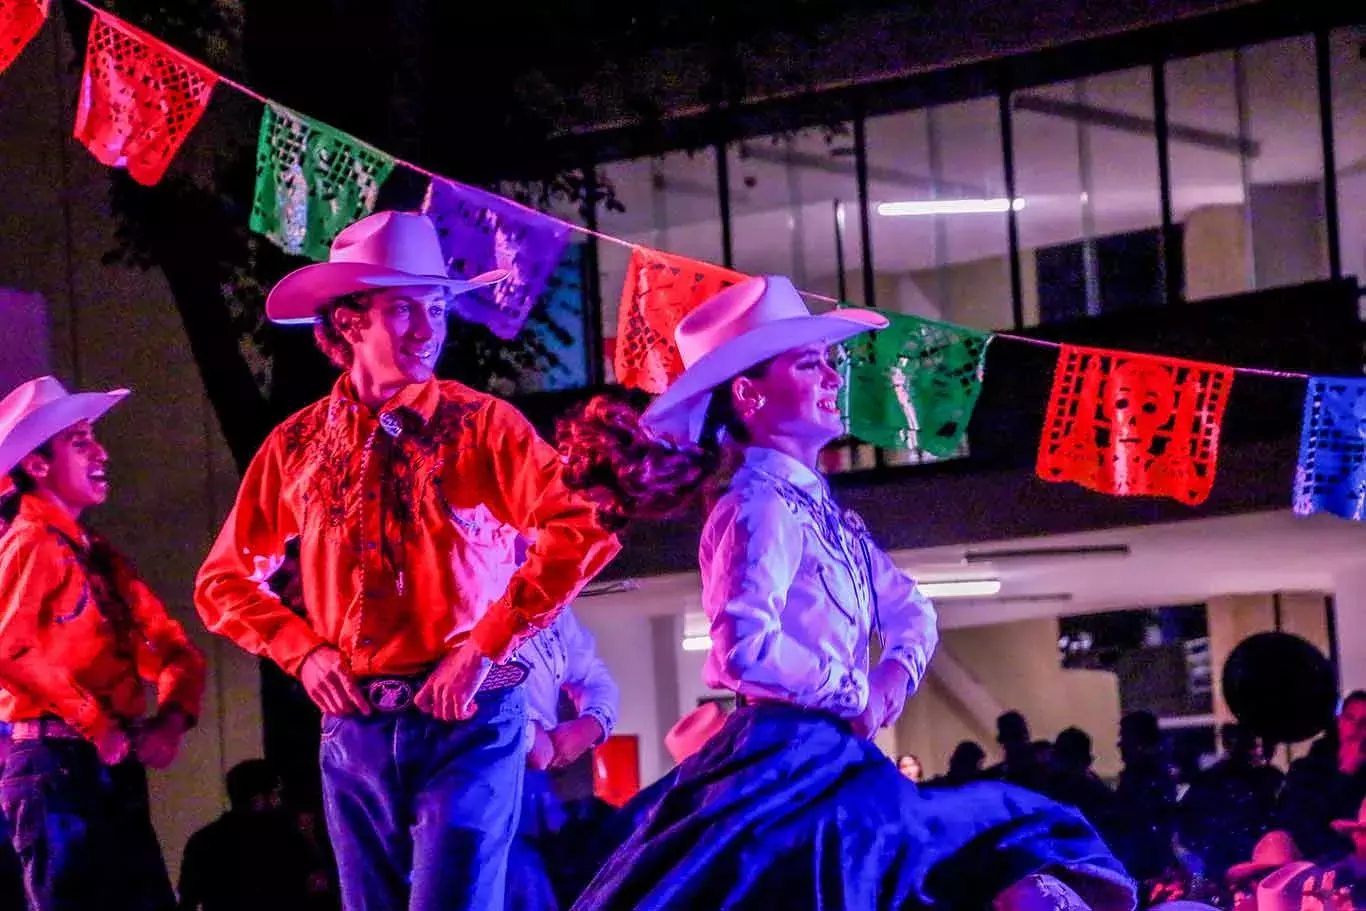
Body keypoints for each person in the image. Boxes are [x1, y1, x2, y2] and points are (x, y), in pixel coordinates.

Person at [555, 275, 1137, 911]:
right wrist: (856, 689)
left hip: (831, 753)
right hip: (784, 756)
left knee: (961, 844)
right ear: (749, 394)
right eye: (810, 364)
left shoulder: (816, 506)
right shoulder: (756, 505)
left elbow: (911, 608)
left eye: (829, 362)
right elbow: (744, 648)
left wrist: (890, 679)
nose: (834, 378)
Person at [194, 210, 621, 911]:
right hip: (355, 725)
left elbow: (582, 527)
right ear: (349, 322)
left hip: (471, 720)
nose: (429, 329)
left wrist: (483, 647)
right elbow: (222, 580)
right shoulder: (296, 444)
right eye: (404, 310)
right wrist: (302, 652)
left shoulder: (482, 425)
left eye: (437, 307)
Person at [0, 376, 207, 910]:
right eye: (80, 441)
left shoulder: (99, 555)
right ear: (38, 465)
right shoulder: (32, 541)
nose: (101, 452)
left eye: (93, 437)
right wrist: (95, 722)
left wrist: (173, 716)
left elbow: (170, 646)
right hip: (54, 762)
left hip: (101, 761)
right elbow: (9, 646)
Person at [509, 601, 620, 911]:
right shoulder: (468, 572)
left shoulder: (551, 603)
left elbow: (593, 677)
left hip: (534, 787)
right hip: (473, 778)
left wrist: (592, 723)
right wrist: (527, 730)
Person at [177, 759, 330, 911]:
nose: (279, 801)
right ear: (258, 800)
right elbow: (318, 886)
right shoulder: (286, 839)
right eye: (275, 794)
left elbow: (188, 901)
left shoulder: (203, 842)